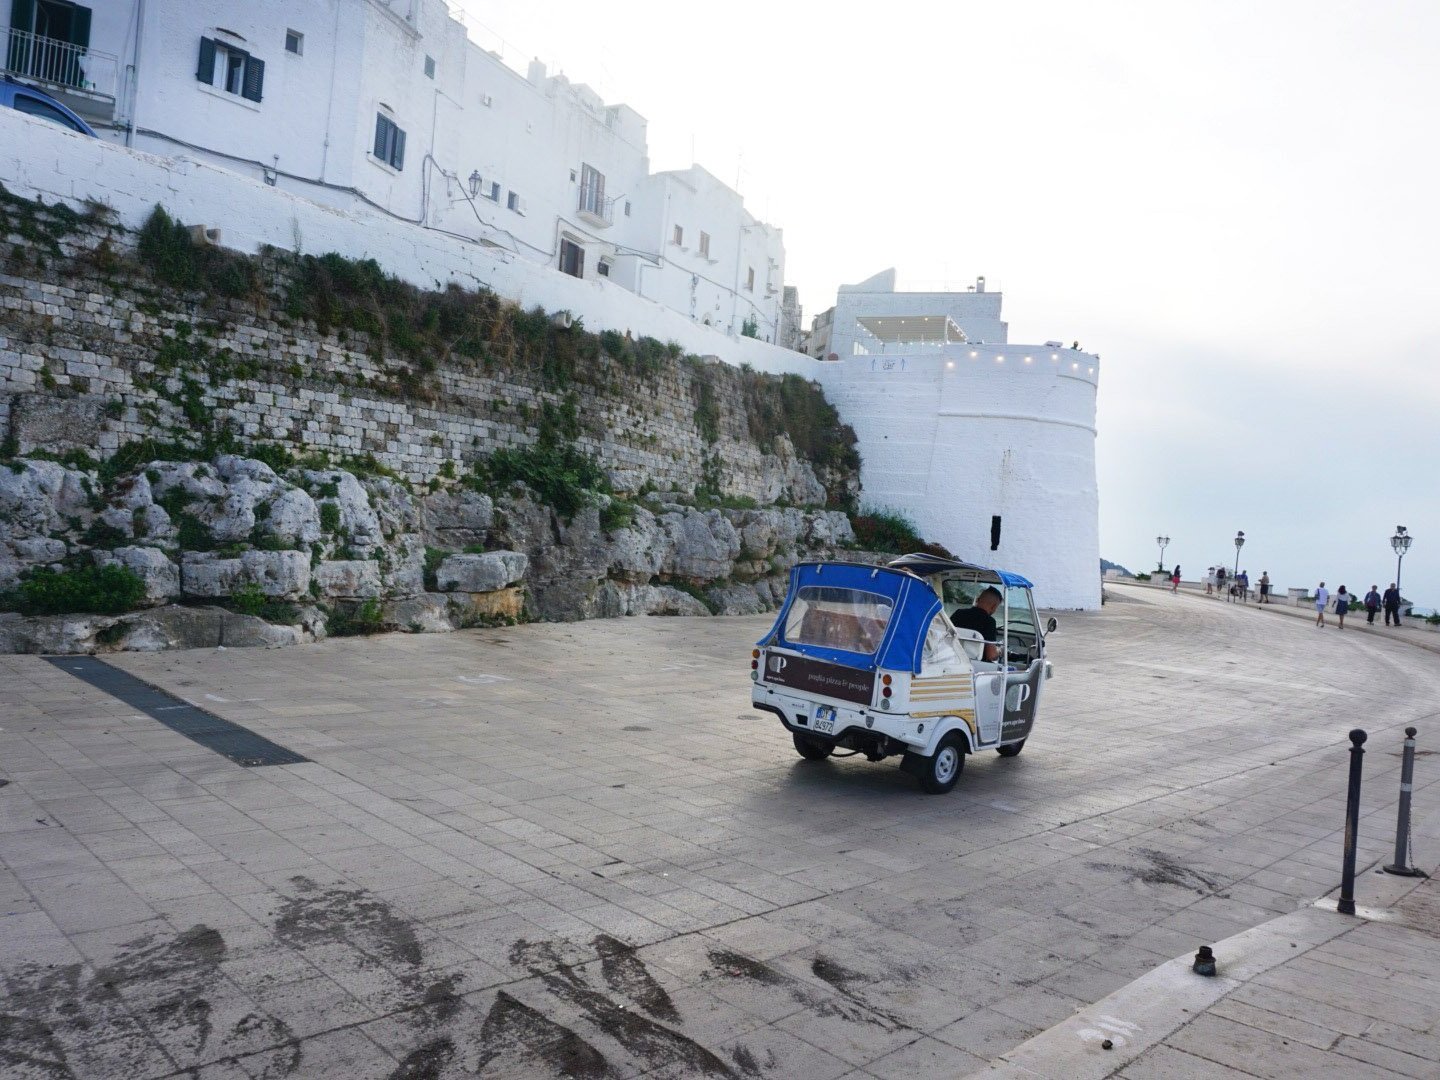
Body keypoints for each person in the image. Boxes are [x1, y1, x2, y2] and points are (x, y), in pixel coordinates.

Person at [951, 586, 1002, 661]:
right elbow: (991, 656)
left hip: (952, 660)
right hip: (976, 666)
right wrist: (1000, 651)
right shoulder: (989, 622)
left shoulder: (958, 613)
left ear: (978, 600)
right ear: (994, 607)